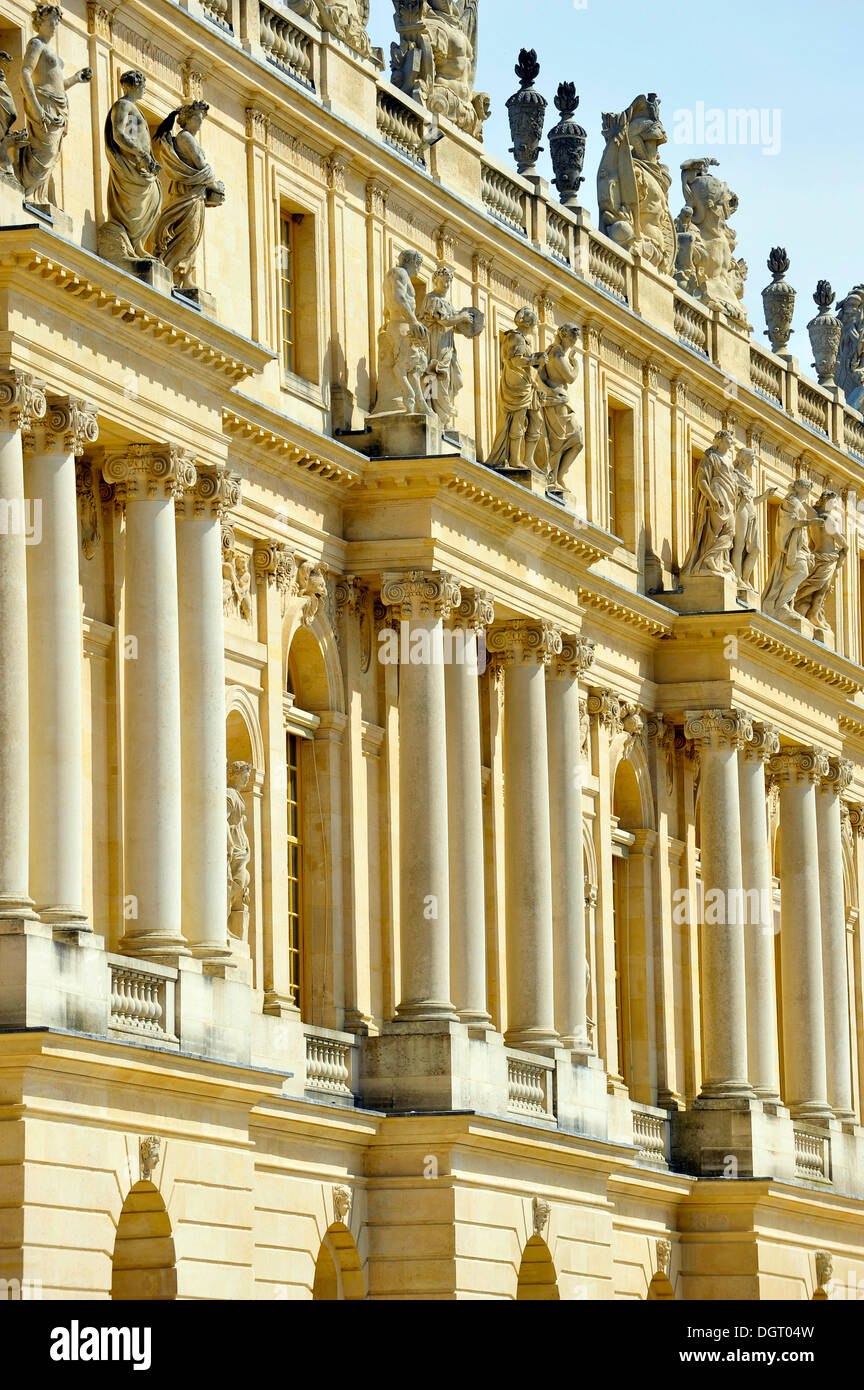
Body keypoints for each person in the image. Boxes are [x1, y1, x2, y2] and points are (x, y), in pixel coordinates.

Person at [17, 4, 91, 204]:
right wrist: (35, 106)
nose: (55, 26)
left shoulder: (52, 52)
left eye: (57, 23)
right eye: (51, 22)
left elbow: (58, 84)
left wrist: (75, 79)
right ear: (40, 22)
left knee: (52, 153)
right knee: (45, 150)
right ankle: (28, 193)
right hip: (44, 103)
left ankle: (38, 196)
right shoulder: (36, 45)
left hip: (57, 108)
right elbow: (25, 72)